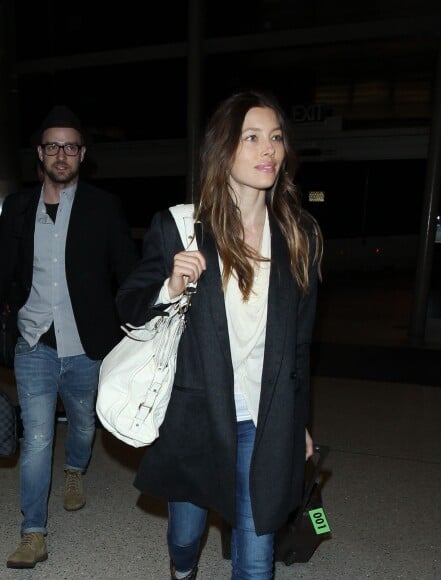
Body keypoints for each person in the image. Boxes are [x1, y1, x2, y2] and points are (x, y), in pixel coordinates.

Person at [116, 90, 323, 579]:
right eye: (251, 138)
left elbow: (299, 345)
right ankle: (181, 570)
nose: (268, 149)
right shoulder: (180, 226)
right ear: (223, 150)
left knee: (256, 561)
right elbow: (126, 307)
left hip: (263, 416)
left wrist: (300, 422)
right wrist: (169, 285)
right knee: (186, 537)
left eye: (275, 138)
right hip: (196, 413)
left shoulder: (300, 236)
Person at [0, 104, 139, 569]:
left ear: (82, 153)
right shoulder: (19, 208)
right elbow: (0, 272)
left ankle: (75, 471)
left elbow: (127, 272)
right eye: (51, 146)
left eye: (69, 146)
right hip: (34, 343)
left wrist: (142, 321)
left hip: (87, 345)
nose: (60, 154)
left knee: (84, 424)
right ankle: (33, 532)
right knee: (39, 435)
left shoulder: (104, 207)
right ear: (39, 154)